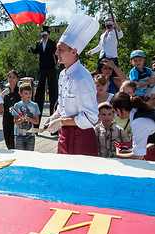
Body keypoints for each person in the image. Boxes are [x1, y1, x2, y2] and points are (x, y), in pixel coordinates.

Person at [44, 14, 100, 156]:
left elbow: (90, 118)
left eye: (60, 50)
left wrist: (60, 122)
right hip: (64, 136)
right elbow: (63, 105)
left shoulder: (82, 78)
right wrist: (55, 116)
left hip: (82, 139)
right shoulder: (63, 74)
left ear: (74, 52)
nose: (56, 53)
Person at [27, 26, 58, 128]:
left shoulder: (52, 43)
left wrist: (58, 60)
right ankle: (36, 125)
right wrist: (30, 49)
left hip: (51, 68)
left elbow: (55, 53)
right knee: (39, 93)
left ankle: (53, 125)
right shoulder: (39, 43)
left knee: (53, 92)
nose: (43, 36)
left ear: (48, 34)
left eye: (45, 34)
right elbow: (36, 52)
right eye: (42, 34)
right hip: (42, 69)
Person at [110, 92, 155, 160]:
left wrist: (117, 155)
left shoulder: (138, 123)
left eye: (114, 111)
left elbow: (138, 157)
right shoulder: (142, 111)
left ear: (118, 110)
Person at [12, 83, 40, 151]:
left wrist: (29, 119)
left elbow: (37, 121)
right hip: (19, 135)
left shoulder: (35, 105)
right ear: (21, 94)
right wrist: (21, 120)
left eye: (30, 93)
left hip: (31, 135)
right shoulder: (17, 105)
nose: (28, 95)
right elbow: (15, 121)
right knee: (20, 154)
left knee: (29, 155)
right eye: (26, 93)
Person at [1, 70, 21, 149]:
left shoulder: (19, 91)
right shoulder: (5, 91)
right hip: (6, 118)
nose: (11, 79)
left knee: (14, 142)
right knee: (7, 140)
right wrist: (2, 95)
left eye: (14, 77)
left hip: (16, 119)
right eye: (10, 77)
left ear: (17, 79)